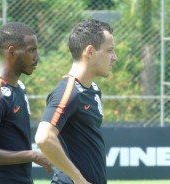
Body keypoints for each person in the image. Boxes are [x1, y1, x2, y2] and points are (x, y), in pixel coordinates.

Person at [35, 19, 117, 184]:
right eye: (109, 51)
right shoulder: (68, 91)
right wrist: (78, 179)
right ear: (90, 51)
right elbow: (44, 138)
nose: (114, 57)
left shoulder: (93, 89)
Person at [0, 22, 52, 184]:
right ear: (12, 51)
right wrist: (33, 155)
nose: (37, 57)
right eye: (31, 50)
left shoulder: (19, 89)